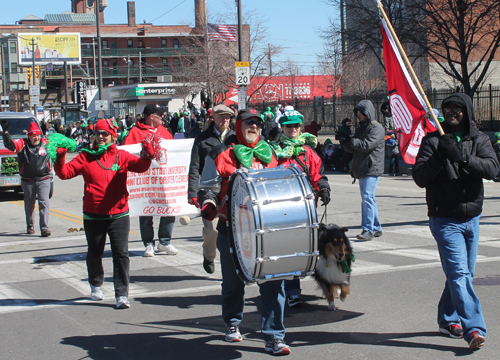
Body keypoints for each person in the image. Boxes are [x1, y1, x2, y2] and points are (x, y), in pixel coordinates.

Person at [197, 108, 291, 355]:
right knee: (233, 283)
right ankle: (232, 323)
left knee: (273, 283)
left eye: (258, 123)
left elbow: (281, 185)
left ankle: (274, 336)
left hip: (265, 230)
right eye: (249, 122)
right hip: (232, 229)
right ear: (239, 125)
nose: (254, 127)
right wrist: (208, 204)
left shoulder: (269, 153)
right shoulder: (220, 153)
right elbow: (207, 187)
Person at [412, 93, 499, 350]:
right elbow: (420, 177)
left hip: (472, 218)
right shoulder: (432, 141)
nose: (452, 113)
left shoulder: (479, 140)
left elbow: (493, 170)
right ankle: (473, 328)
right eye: (448, 108)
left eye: (457, 109)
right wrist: (440, 154)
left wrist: (462, 157)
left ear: (467, 112)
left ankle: (447, 318)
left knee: (463, 274)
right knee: (460, 274)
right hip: (445, 220)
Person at [54, 119, 154, 309]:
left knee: (121, 254)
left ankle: (122, 294)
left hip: (119, 214)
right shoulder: (85, 156)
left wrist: (148, 155)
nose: (101, 137)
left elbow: (140, 167)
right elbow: (64, 173)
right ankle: (96, 284)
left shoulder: (121, 156)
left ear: (112, 136)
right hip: (94, 214)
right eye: (98, 133)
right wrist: (60, 158)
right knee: (94, 253)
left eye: (105, 133)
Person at [271, 110, 330, 308]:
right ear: (283, 128)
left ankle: (327, 284)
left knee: (310, 250)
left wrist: (323, 186)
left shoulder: (308, 151)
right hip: (283, 208)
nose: (293, 129)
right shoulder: (275, 151)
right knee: (290, 251)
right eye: (289, 126)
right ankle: (292, 292)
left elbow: (318, 173)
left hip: (306, 208)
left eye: (296, 126)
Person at [122, 104, 178, 257]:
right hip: (145, 178)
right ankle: (148, 243)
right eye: (160, 114)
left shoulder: (164, 131)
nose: (163, 117)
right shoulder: (135, 132)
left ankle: (165, 241)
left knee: (168, 207)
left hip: (163, 178)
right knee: (145, 210)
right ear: (151, 116)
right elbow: (127, 154)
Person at [188, 104, 235, 274]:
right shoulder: (202, 139)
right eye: (221, 116)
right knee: (212, 229)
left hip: (232, 191)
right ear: (213, 118)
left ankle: (231, 266)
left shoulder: (236, 137)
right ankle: (209, 256)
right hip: (210, 191)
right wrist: (193, 194)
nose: (225, 120)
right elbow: (194, 167)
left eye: (228, 117)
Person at [338, 100, 384, 240]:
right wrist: (344, 141)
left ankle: (367, 229)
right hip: (363, 167)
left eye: (361, 113)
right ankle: (376, 228)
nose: (358, 115)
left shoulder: (376, 128)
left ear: (367, 113)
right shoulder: (361, 128)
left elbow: (366, 145)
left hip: (372, 167)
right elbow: (355, 148)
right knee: (368, 198)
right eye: (357, 113)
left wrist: (351, 140)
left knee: (367, 197)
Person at [1, 120, 52, 237]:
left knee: (44, 202)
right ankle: (30, 225)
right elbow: (10, 145)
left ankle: (45, 228)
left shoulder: (46, 143)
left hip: (43, 178)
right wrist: (6, 133)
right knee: (29, 204)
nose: (36, 138)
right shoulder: (22, 143)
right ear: (29, 136)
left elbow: (60, 145)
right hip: (27, 180)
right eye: (33, 136)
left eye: (38, 135)